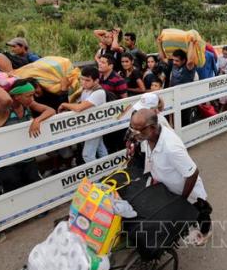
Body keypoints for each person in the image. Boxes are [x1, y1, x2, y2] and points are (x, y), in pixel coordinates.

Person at [128, 109, 213, 246]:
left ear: (153, 128)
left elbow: (192, 173)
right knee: (181, 214)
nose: (135, 134)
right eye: (133, 129)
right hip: (168, 187)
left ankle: (205, 231)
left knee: (199, 212)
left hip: (187, 191)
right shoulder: (147, 136)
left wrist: (182, 199)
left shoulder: (171, 147)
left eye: (139, 131)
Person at [0, 79, 55, 192]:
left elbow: (50, 110)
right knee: (15, 194)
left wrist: (37, 120)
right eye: (28, 96)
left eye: (33, 95)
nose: (32, 99)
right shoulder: (2, 110)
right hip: (8, 162)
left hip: (27, 158)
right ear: (16, 96)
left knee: (37, 190)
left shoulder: (27, 104)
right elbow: (6, 99)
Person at [58, 66, 108, 163]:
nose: (83, 82)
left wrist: (64, 104)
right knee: (100, 149)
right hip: (91, 124)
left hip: (96, 126)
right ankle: (108, 172)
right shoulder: (85, 90)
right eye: (82, 80)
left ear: (96, 81)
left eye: (87, 80)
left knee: (87, 155)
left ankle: (96, 177)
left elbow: (79, 108)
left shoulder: (99, 92)